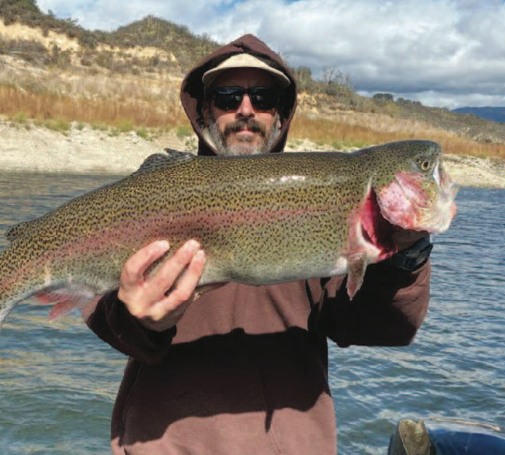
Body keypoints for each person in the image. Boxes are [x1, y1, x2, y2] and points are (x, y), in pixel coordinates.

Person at [83, 34, 433, 455]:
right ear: (204, 111)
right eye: (227, 96)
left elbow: (381, 326)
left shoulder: (325, 199)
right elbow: (106, 317)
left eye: (263, 97)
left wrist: (404, 255)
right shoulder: (154, 197)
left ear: (281, 115)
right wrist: (143, 321)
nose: (245, 109)